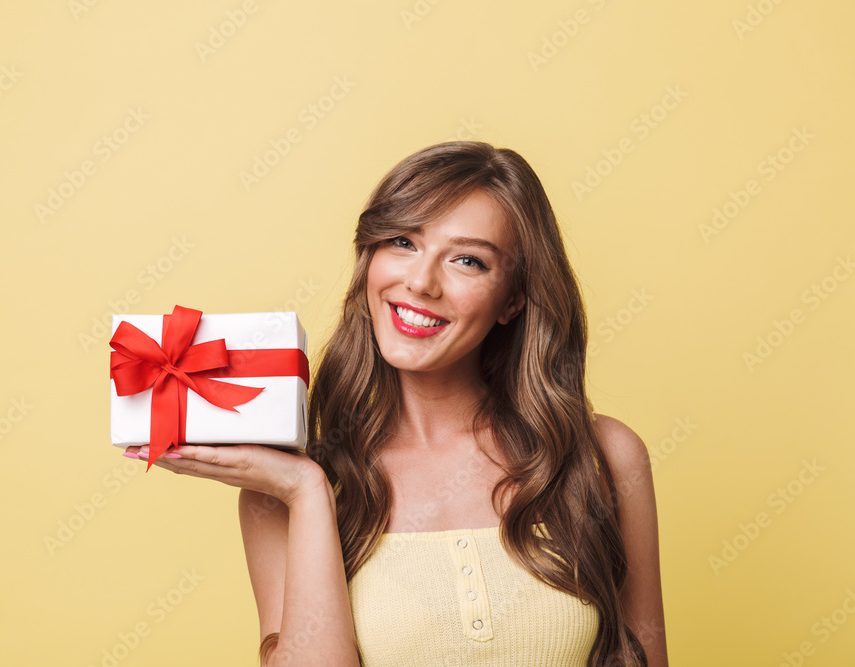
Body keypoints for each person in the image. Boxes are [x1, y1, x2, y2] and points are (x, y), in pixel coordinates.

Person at [124, 141, 668, 666]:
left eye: (468, 261)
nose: (420, 282)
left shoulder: (603, 456)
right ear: (370, 259)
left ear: (514, 299)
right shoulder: (285, 489)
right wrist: (307, 493)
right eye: (403, 243)